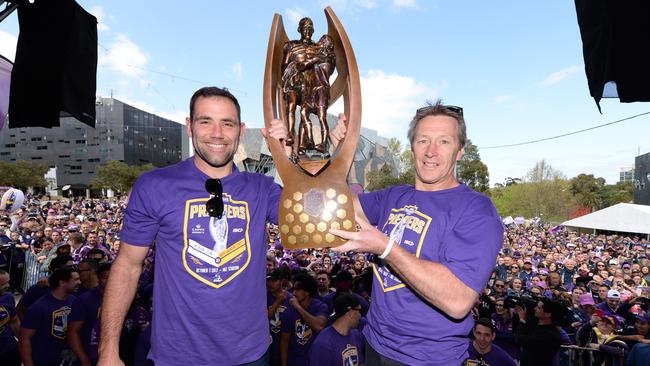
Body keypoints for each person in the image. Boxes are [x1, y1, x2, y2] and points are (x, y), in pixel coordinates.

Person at [98, 86, 290, 365]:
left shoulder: (262, 189)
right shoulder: (155, 185)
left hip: (250, 355)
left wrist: (289, 162)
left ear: (241, 129)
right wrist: (107, 351)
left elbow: (315, 219)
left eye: (227, 123)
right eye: (205, 121)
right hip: (177, 356)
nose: (217, 133)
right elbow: (127, 266)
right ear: (189, 126)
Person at [329, 101, 504, 364]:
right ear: (412, 147)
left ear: (460, 151)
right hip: (375, 344)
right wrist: (340, 155)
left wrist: (385, 248)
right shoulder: (395, 195)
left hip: (426, 358)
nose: (431, 151)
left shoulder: (477, 209)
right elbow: (341, 210)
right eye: (423, 140)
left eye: (443, 141)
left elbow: (458, 301)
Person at [19, 267, 80, 366]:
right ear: (62, 282)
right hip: (44, 360)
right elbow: (24, 338)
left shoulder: (74, 300)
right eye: (76, 279)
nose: (79, 282)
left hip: (67, 359)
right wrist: (28, 363)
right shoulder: (39, 306)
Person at [280, 272, 328, 366]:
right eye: (293, 289)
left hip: (316, 361)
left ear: (307, 291)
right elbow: (284, 342)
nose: (293, 293)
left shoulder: (320, 307)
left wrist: (298, 308)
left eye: (298, 290)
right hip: (295, 361)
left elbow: (319, 326)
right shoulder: (288, 311)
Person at [68, 263, 111, 366]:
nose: (110, 281)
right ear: (99, 279)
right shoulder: (85, 300)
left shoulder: (126, 299)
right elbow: (72, 332)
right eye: (105, 277)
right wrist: (84, 360)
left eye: (113, 277)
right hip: (91, 356)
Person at [308, 293, 364, 366]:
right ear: (351, 313)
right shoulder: (323, 345)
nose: (360, 316)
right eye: (359, 311)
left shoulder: (357, 335)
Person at [514, 299, 565, 366]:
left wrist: (522, 320)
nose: (535, 308)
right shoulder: (535, 324)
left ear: (548, 314)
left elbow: (520, 340)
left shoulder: (550, 334)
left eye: (538, 308)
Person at [0, 270, 21, 366]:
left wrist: (23, 341)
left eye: (8, 282)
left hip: (9, 349)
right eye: (3, 284)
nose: (8, 286)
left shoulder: (8, 298)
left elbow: (14, 322)